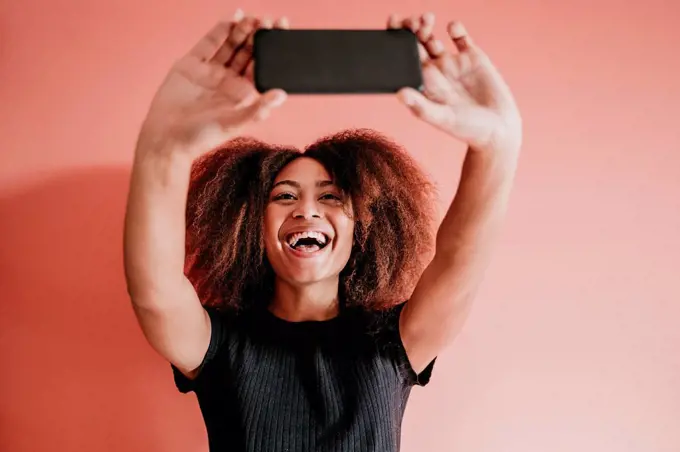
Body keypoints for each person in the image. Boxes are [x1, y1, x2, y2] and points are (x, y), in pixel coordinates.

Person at [123, 9, 522, 452]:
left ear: (362, 230)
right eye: (285, 196)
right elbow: (155, 292)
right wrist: (162, 151)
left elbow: (457, 261)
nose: (307, 210)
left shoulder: (394, 342)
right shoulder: (219, 343)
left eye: (331, 197)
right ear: (250, 226)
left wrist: (497, 147)